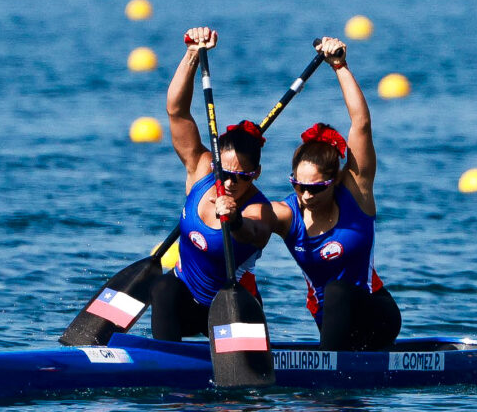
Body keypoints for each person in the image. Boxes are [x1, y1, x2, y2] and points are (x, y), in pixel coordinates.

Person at [271, 37, 401, 351]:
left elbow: (361, 123)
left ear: (334, 180)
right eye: (297, 185)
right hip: (331, 323)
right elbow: (253, 220)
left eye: (314, 187)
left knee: (339, 291)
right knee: (332, 297)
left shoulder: (356, 192)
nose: (304, 194)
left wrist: (339, 66)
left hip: (375, 313)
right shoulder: (288, 214)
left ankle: (330, 367)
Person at [151, 26, 276, 342]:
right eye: (225, 174)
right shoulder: (200, 167)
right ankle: (164, 368)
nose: (231, 183)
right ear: (214, 164)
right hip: (185, 302)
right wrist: (192, 53)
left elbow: (253, 234)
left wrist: (233, 220)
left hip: (234, 307)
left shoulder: (261, 209)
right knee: (164, 287)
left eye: (242, 177)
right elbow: (176, 111)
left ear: (256, 173)